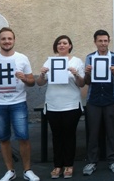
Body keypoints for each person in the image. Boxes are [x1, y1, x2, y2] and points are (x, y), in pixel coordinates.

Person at [0, 27, 40, 181]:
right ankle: (10, 171)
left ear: (14, 40)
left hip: (18, 102)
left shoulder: (22, 58)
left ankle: (27, 170)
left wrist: (25, 78)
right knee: (4, 138)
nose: (6, 41)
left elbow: (32, 82)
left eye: (9, 38)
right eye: (3, 39)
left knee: (23, 137)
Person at [36, 35, 85, 179]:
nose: (62, 45)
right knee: (56, 136)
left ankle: (69, 165)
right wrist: (42, 74)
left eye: (65, 43)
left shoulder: (76, 61)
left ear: (70, 46)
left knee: (69, 136)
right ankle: (57, 166)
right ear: (56, 46)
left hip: (71, 104)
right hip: (53, 105)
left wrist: (75, 74)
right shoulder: (49, 61)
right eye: (59, 43)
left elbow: (81, 83)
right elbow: (40, 83)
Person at [82, 30, 114, 176]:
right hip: (93, 100)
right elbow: (87, 82)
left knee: (111, 132)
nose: (103, 43)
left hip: (110, 99)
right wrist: (87, 73)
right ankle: (92, 161)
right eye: (100, 41)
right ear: (95, 42)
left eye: (105, 41)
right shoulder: (89, 58)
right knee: (93, 132)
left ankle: (113, 160)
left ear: (109, 41)